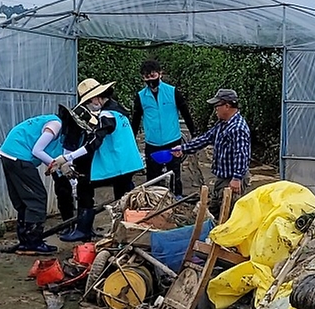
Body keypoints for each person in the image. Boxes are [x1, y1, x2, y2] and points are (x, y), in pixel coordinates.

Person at [55, 78, 144, 242]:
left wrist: (67, 157)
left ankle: (83, 229)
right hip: (130, 162)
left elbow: (94, 143)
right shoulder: (120, 111)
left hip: (118, 163)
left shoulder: (106, 114)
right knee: (124, 196)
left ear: (96, 98)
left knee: (84, 185)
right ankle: (126, 230)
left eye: (88, 101)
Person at [172, 88, 251, 218]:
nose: (215, 109)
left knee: (228, 214)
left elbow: (241, 154)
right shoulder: (223, 124)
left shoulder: (238, 128)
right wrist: (183, 148)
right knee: (215, 209)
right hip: (222, 178)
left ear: (227, 105)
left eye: (217, 106)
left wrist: (237, 178)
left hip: (231, 180)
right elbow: (206, 138)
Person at [0, 112, 69, 255]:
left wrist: (56, 167)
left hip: (9, 154)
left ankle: (25, 242)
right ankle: (33, 242)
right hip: (19, 155)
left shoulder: (48, 121)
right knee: (37, 198)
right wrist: (57, 165)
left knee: (24, 200)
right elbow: (37, 150)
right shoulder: (56, 124)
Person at [131, 59, 196, 197]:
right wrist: (131, 141)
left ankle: (176, 200)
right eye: (146, 77)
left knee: (175, 175)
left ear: (160, 74)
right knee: (153, 178)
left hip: (172, 141)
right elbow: (135, 120)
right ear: (143, 78)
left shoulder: (172, 92)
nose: (150, 80)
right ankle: (154, 202)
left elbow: (185, 113)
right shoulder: (141, 96)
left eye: (153, 75)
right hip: (152, 143)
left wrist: (193, 133)